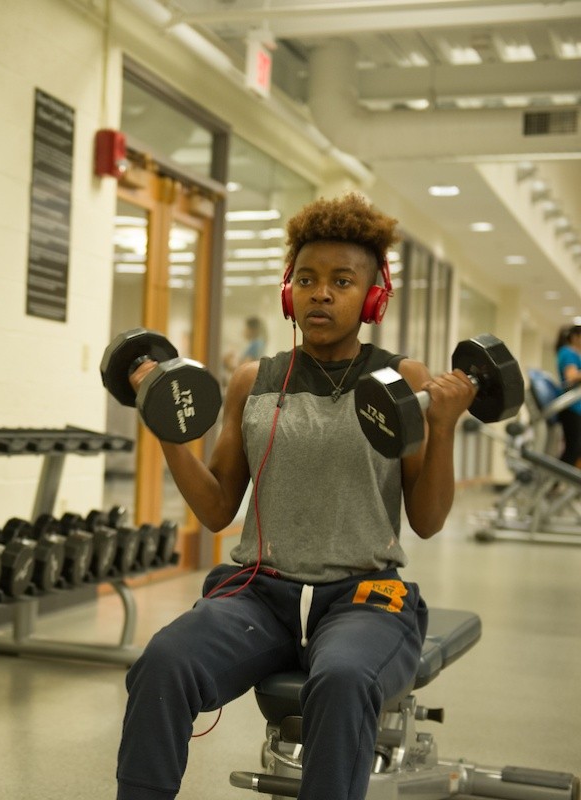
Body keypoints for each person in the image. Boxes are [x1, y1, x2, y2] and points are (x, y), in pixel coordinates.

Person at [115, 193, 477, 800]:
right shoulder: (253, 382)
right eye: (306, 280)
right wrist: (168, 430)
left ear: (373, 296)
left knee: (341, 679)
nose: (321, 293)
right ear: (289, 292)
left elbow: (430, 518)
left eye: (342, 281)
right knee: (164, 661)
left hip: (363, 597)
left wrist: (442, 428)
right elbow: (215, 509)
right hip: (261, 594)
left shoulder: (402, 381)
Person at [555, 325, 581, 468]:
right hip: (571, 407)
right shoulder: (568, 352)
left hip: (577, 407)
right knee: (573, 447)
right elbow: (570, 376)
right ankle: (555, 484)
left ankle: (558, 484)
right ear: (575, 337)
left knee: (576, 448)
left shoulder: (577, 354)